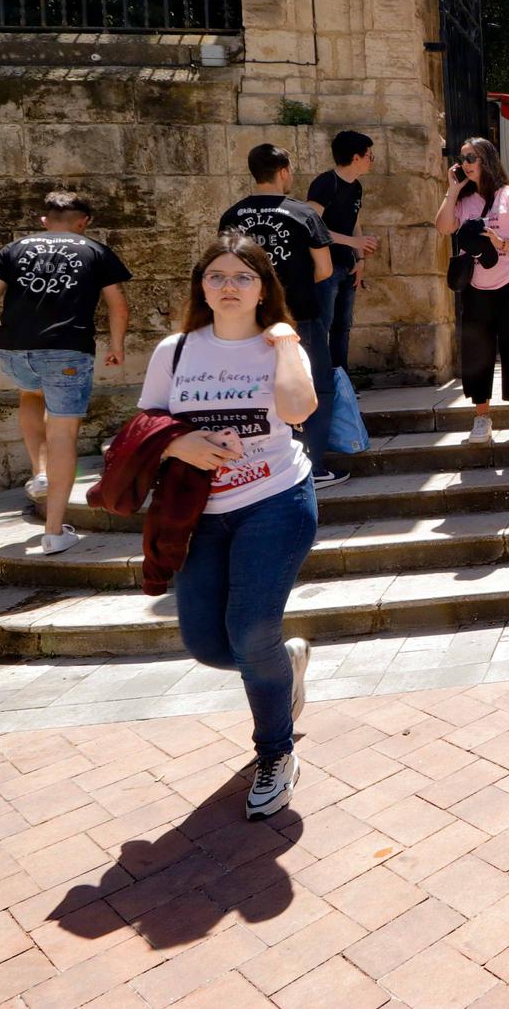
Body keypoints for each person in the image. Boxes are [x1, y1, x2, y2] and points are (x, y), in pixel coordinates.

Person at [142, 232, 318, 821]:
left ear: (263, 287)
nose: (228, 286)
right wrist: (181, 443)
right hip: (201, 512)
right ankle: (284, 663)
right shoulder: (175, 349)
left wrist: (288, 341)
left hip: (276, 499)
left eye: (243, 276)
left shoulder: (280, 345)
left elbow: (296, 411)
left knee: (249, 629)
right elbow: (149, 426)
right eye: (216, 276)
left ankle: (276, 753)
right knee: (206, 642)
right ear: (202, 286)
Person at [0, 190, 131, 555]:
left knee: (30, 393)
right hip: (66, 350)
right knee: (63, 434)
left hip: (13, 350)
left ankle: (40, 474)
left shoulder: (14, 249)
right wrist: (117, 345)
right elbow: (117, 305)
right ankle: (54, 532)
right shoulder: (95, 251)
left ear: (44, 220)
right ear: (83, 222)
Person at [220, 144, 342, 484]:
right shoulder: (303, 214)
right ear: (284, 171)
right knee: (316, 386)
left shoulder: (232, 216)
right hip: (299, 315)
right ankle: (313, 466)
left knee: (255, 392)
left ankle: (262, 468)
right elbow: (324, 269)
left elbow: (226, 267)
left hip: (250, 320)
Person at [437, 137, 509, 444]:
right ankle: (482, 417)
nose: (465, 164)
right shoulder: (463, 199)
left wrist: (502, 243)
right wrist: (452, 190)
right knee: (476, 353)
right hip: (476, 288)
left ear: (487, 159)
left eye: (471, 158)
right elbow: (443, 227)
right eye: (462, 158)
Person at [305, 130, 377, 375]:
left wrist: (360, 258)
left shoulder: (356, 187)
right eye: (369, 155)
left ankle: (341, 381)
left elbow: (354, 221)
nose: (372, 160)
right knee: (322, 325)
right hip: (326, 266)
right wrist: (352, 241)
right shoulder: (325, 183)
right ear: (356, 157)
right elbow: (312, 225)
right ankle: (320, 381)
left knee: (342, 327)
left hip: (348, 265)